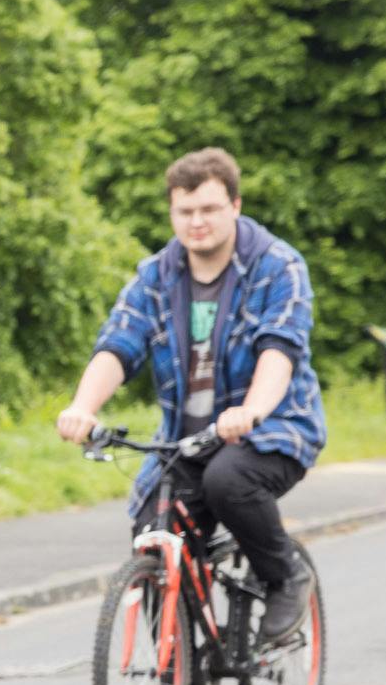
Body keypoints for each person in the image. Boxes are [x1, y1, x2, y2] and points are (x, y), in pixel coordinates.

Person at [56, 146, 327, 652]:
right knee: (153, 531)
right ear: (172, 213)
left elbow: (279, 350)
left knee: (229, 481)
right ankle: (176, 676)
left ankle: (285, 577)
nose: (196, 222)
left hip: (273, 429)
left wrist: (252, 410)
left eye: (208, 209)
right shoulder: (157, 276)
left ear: (235, 206)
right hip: (188, 440)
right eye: (185, 211)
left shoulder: (277, 266)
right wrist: (82, 406)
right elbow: (119, 344)